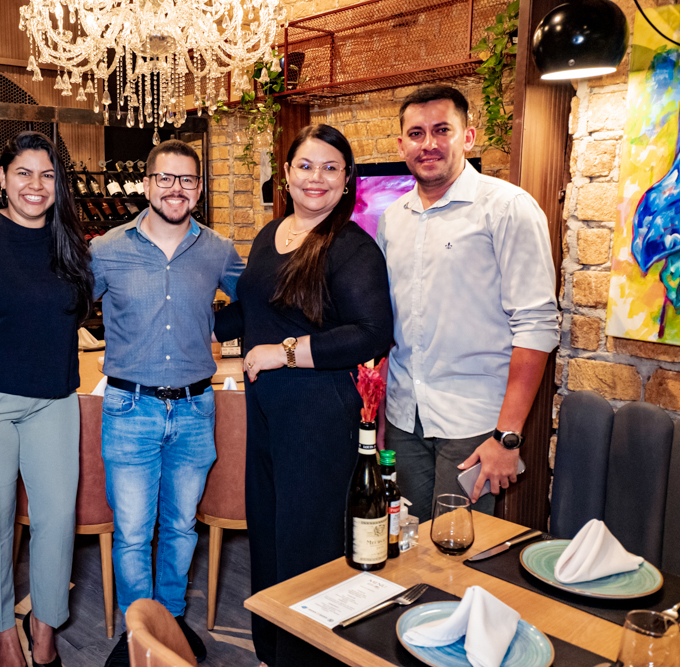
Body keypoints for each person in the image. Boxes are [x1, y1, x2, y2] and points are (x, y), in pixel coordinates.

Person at [213, 124, 394, 667]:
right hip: (268, 411)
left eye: (331, 167)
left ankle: (310, 658)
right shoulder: (271, 234)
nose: (317, 177)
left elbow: (372, 333)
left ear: (347, 180)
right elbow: (256, 310)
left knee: (308, 546)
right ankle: (273, 651)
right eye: (306, 166)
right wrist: (194, 324)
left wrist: (285, 352)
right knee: (269, 534)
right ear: (286, 174)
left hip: (319, 413)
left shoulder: (352, 247)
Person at [91, 139, 245, 667]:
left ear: (198, 189)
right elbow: (64, 305)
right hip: (129, 407)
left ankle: (171, 623)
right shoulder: (106, 248)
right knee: (133, 532)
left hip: (196, 408)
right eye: (165, 178)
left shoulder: (218, 250)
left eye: (187, 180)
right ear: (146, 184)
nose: (176, 189)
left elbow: (254, 302)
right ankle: (139, 633)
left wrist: (215, 329)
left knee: (181, 527)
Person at [378, 85, 560, 522]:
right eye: (416, 133)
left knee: (459, 548)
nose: (429, 144)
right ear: (401, 145)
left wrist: (507, 436)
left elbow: (537, 325)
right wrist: (382, 414)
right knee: (406, 539)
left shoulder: (508, 207)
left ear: (469, 137)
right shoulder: (391, 219)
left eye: (442, 130)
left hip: (475, 423)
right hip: (405, 418)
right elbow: (390, 323)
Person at [0, 131, 93, 667]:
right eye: (23, 173)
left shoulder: (69, 241)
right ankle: (1, 634)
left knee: (57, 522)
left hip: (55, 400)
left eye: (47, 175)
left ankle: (44, 625)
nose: (35, 185)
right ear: (1, 178)